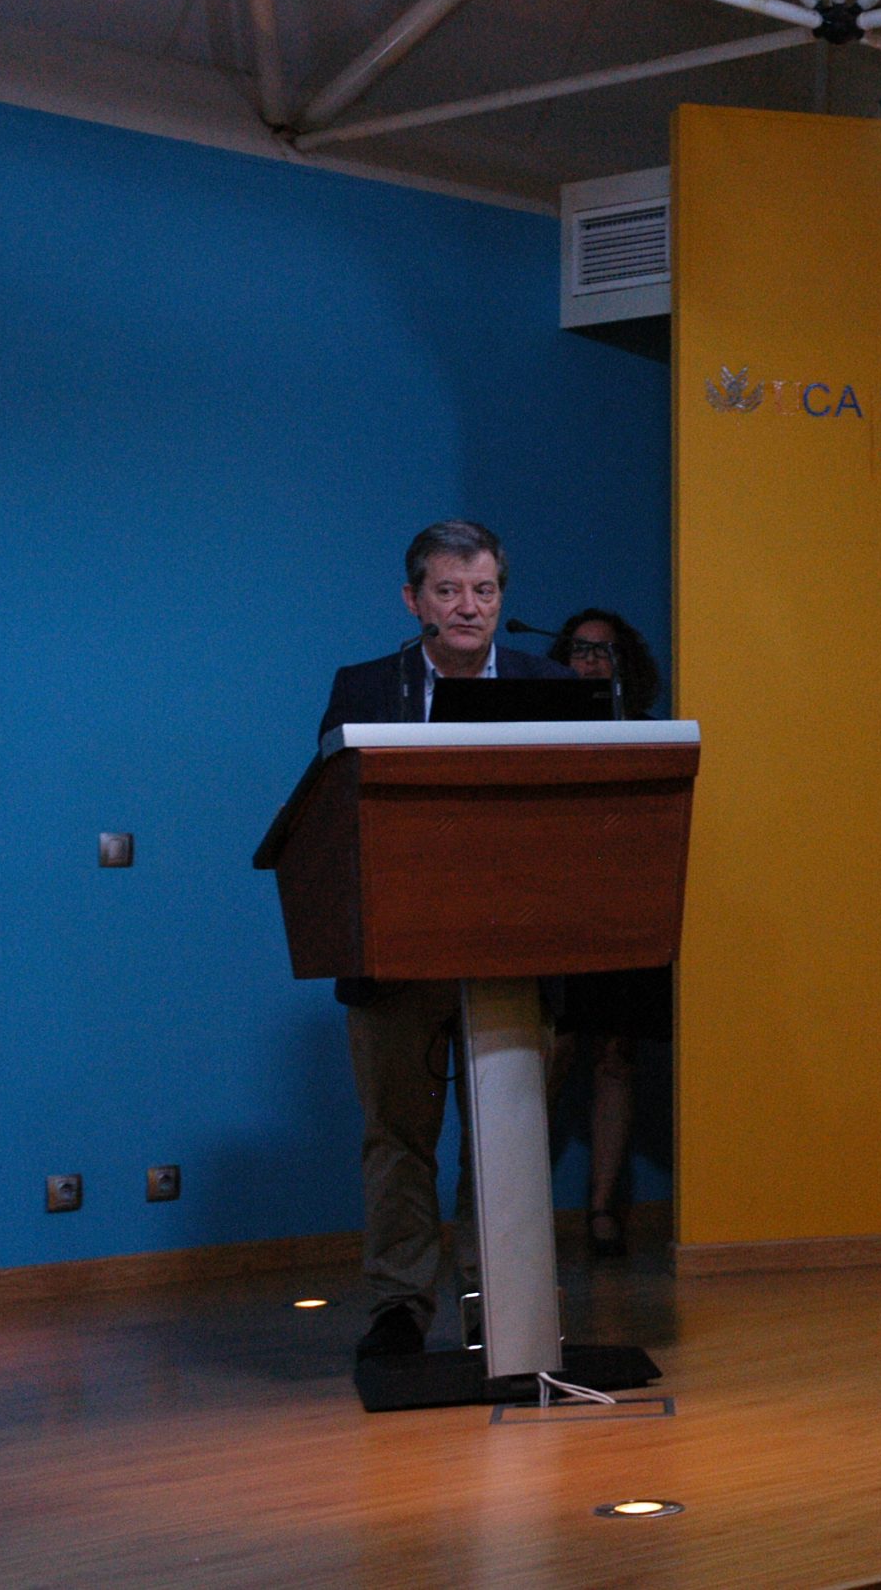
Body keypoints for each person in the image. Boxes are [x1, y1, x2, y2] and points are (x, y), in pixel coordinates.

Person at [319, 520, 573, 1359]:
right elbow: (332, 813)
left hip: (513, 949)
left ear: (502, 597)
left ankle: (494, 1307)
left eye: (485, 590)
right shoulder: (367, 687)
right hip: (398, 948)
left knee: (503, 1141)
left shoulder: (548, 684)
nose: (469, 607)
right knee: (399, 1137)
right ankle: (400, 1305)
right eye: (449, 590)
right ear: (414, 600)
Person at [544, 608, 672, 1258]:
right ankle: (513, 1215)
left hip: (625, 914)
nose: (592, 661)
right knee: (553, 1052)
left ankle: (603, 1210)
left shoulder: (647, 735)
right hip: (555, 915)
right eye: (581, 650)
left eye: (606, 651)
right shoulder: (535, 732)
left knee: (616, 1057)